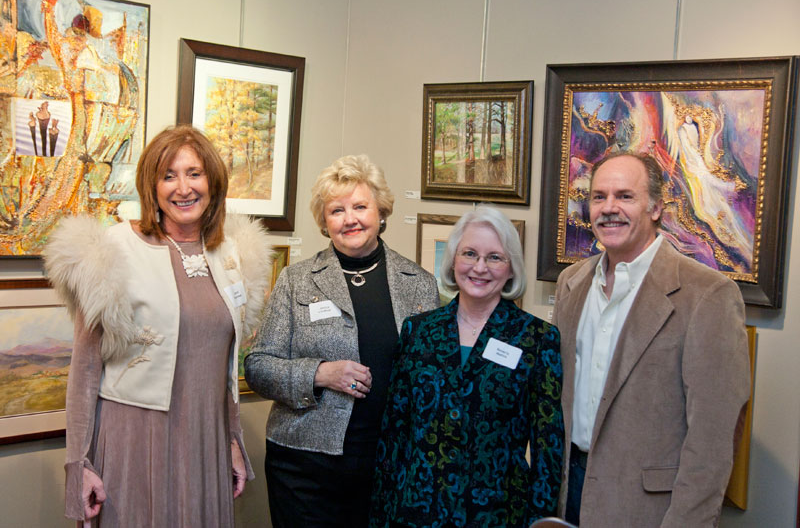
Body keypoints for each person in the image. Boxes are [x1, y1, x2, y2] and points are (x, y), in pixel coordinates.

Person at [43, 125, 273, 526]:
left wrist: (232, 440)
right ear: (151, 187)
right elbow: (84, 369)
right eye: (168, 175)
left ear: (212, 181)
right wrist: (78, 463)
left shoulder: (232, 255)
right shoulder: (112, 251)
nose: (183, 188)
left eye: (194, 173)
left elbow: (224, 368)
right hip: (134, 439)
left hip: (205, 440)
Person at [554, 152, 750, 527]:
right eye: (599, 197)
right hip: (570, 493)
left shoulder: (707, 295)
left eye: (625, 196)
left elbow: (712, 442)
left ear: (657, 206)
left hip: (647, 509)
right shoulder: (572, 283)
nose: (609, 208)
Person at [244, 154, 439, 528]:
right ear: (324, 221)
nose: (350, 219)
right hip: (304, 466)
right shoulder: (295, 280)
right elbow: (258, 367)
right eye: (337, 210)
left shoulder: (418, 283)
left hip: (388, 462)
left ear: (381, 211)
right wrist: (319, 373)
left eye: (360, 206)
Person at [370, 205, 564, 528]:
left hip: (497, 516)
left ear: (512, 268)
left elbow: (548, 450)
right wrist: (381, 517)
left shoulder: (537, 339)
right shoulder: (418, 332)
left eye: (494, 257)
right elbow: (394, 437)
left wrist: (539, 522)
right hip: (417, 512)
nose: (480, 267)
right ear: (453, 259)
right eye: (470, 253)